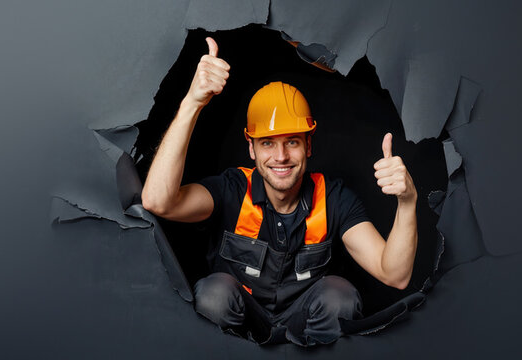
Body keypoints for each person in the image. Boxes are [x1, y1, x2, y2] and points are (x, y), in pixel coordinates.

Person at [141, 37, 418, 346]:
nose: (281, 156)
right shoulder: (232, 189)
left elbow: (395, 274)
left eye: (293, 141)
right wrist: (192, 103)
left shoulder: (334, 198)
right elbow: (157, 201)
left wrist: (407, 202)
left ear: (309, 145)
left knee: (339, 295)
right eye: (268, 143)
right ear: (251, 148)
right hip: (237, 333)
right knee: (214, 293)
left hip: (308, 332)